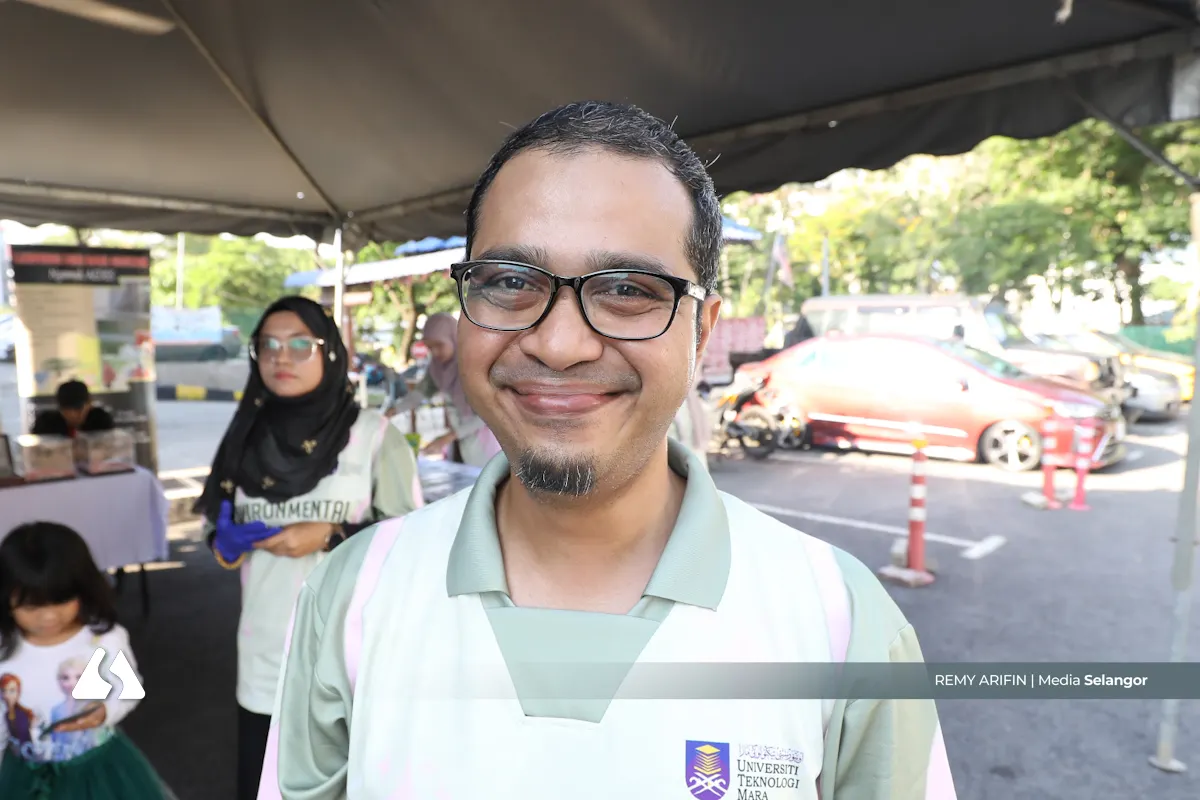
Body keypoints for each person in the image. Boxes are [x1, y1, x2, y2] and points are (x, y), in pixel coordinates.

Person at [260, 102, 957, 798]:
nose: (560, 345)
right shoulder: (352, 597)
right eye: (510, 281)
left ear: (702, 331)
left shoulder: (840, 624)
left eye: (628, 290)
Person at [192, 295, 423, 800]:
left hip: (354, 650)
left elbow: (413, 541)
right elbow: (217, 528)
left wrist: (331, 534)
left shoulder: (372, 437)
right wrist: (224, 544)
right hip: (266, 646)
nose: (281, 357)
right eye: (268, 345)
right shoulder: (243, 436)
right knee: (266, 780)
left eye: (300, 345)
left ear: (330, 352)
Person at [0, 521, 168, 798]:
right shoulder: (5, 652)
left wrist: (106, 712)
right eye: (31, 606)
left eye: (62, 601)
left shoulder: (104, 640)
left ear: (83, 589)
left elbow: (129, 690)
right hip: (25, 780)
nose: (49, 616)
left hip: (98, 773)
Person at [387, 312, 502, 467]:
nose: (434, 352)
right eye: (430, 347)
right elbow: (420, 393)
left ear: (453, 337)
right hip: (458, 443)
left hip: (485, 444)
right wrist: (392, 411)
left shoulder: (473, 367)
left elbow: (487, 415)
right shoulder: (437, 368)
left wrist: (447, 437)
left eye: (439, 345)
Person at [30, 380, 114, 438]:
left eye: (78, 409)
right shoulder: (46, 423)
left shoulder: (101, 420)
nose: (72, 415)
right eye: (66, 410)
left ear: (89, 404)